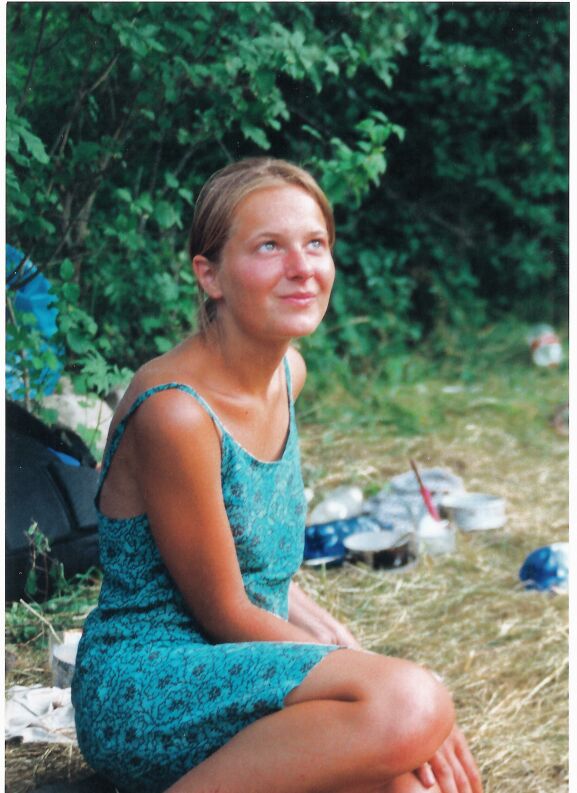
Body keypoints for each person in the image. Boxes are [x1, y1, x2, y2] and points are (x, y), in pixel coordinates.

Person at [72, 158, 483, 793]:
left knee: (414, 784)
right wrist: (381, 683)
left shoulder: (289, 374)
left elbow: (253, 565)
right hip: (154, 684)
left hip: (244, 665)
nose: (302, 267)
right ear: (209, 274)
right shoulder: (177, 412)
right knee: (412, 704)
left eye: (315, 243)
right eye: (269, 246)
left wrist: (346, 656)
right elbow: (224, 611)